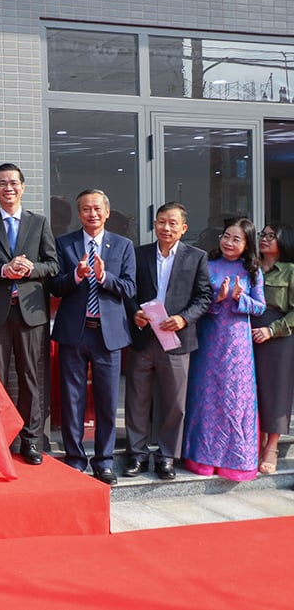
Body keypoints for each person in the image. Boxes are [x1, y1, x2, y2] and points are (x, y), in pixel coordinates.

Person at [0, 163, 58, 465]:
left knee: (30, 377)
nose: (9, 188)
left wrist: (33, 269)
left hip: (31, 314)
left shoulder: (39, 222)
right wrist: (3, 270)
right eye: (2, 183)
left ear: (23, 187)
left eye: (14, 183)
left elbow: (53, 265)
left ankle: (30, 441)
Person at [51, 189, 136, 485]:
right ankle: (75, 459)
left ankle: (104, 461)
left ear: (107, 212)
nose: (92, 213)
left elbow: (129, 289)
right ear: (79, 214)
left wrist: (103, 277)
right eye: (86, 209)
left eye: (97, 208)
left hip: (108, 335)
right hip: (74, 333)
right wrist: (76, 275)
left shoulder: (123, 246)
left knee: (107, 402)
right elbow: (55, 286)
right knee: (72, 400)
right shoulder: (65, 243)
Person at [123, 202, 211, 481]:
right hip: (143, 338)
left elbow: (204, 297)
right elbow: (127, 290)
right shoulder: (139, 254)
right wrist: (134, 311)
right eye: (161, 222)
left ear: (183, 228)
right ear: (155, 224)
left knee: (175, 403)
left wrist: (184, 319)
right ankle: (136, 454)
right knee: (137, 399)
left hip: (176, 339)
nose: (166, 228)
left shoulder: (196, 257)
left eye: (173, 223)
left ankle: (166, 457)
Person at [183, 217, 265, 481]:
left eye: (236, 239)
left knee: (235, 401)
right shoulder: (207, 265)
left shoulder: (253, 271)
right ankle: (202, 458)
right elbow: (196, 304)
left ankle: (235, 461)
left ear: (247, 243)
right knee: (206, 398)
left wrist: (242, 299)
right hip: (208, 341)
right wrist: (217, 300)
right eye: (226, 236)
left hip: (238, 345)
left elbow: (261, 307)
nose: (229, 242)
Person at [251, 222, 294, 474]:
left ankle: (272, 447)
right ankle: (255, 441)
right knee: (251, 391)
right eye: (262, 235)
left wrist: (272, 330)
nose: (264, 239)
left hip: (278, 335)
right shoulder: (251, 268)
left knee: (275, 392)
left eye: (271, 236)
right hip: (248, 332)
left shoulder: (289, 271)